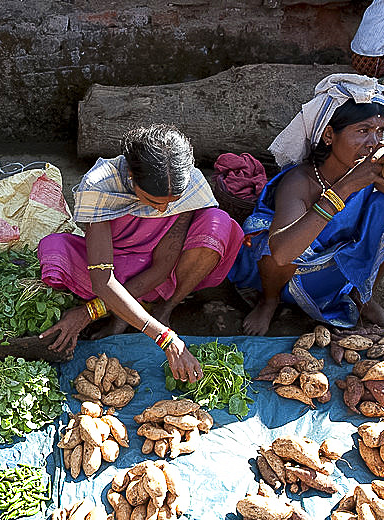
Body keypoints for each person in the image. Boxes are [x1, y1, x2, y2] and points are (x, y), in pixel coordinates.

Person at [227, 74, 384, 335]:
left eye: (380, 131)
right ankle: (269, 302)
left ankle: (363, 298)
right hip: (285, 276)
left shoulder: (373, 172)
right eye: (363, 131)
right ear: (329, 135)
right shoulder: (301, 181)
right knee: (270, 243)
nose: (374, 143)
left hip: (336, 271)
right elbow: (283, 254)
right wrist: (346, 187)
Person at [38, 124, 244, 383]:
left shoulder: (187, 182)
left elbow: (163, 266)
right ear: (133, 179)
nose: (162, 210)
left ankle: (164, 307)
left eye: (171, 203)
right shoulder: (100, 185)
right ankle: (126, 310)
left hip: (162, 265)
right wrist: (166, 338)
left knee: (218, 224)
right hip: (111, 258)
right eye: (154, 201)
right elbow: (102, 280)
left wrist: (90, 313)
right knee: (54, 251)